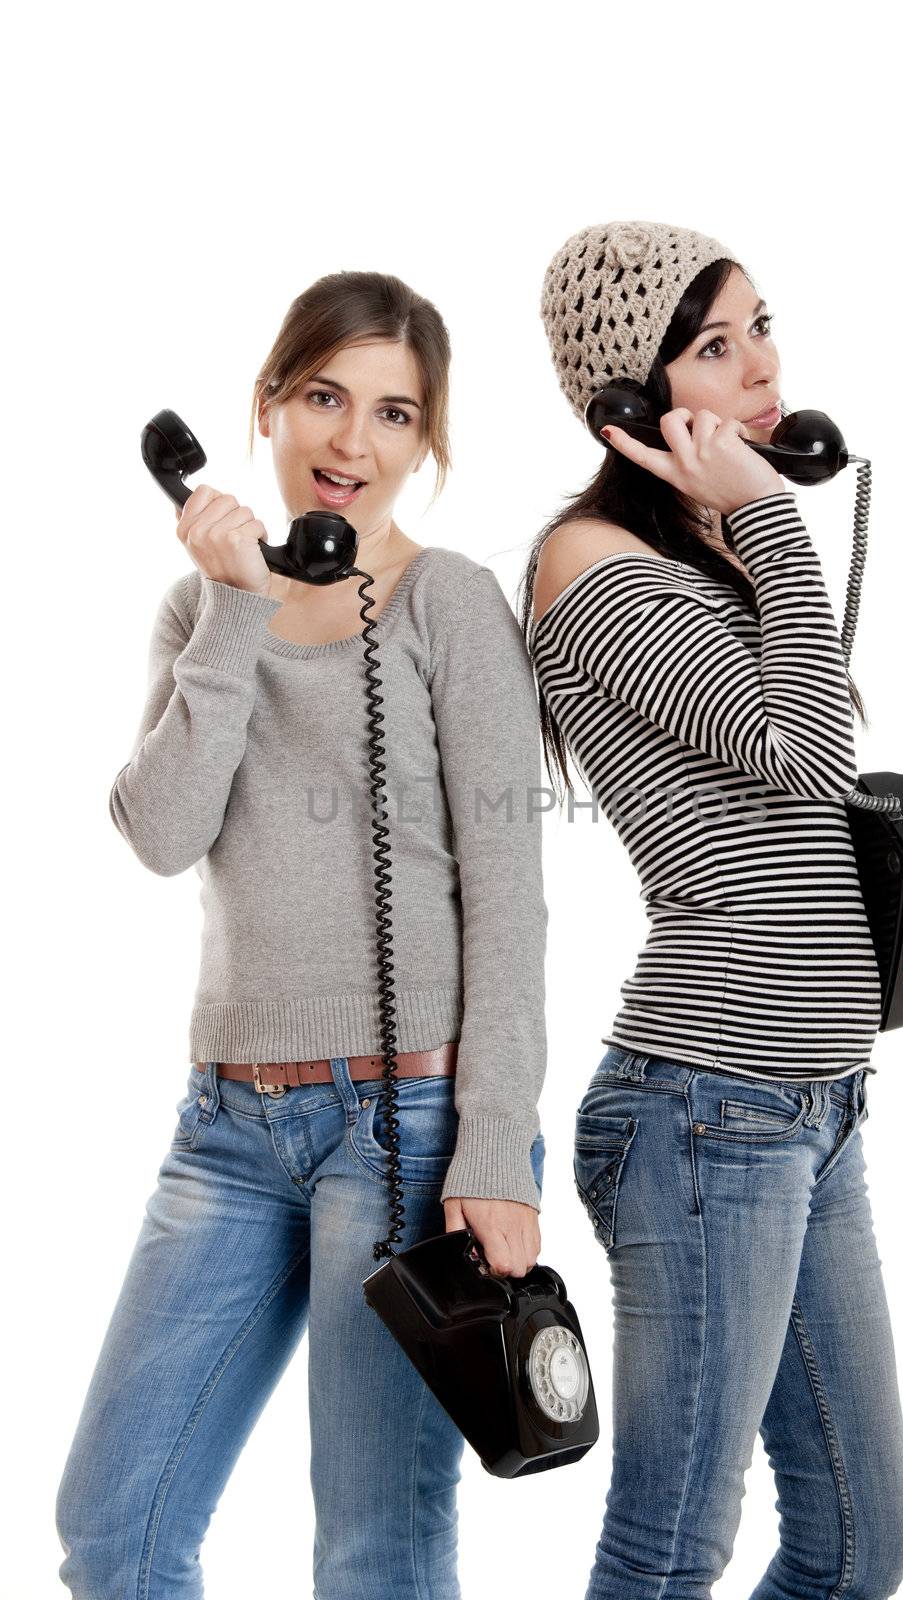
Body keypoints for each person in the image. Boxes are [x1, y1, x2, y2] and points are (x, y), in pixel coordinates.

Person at [56, 270, 548, 1600]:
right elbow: (159, 834)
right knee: (114, 1531)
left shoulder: (449, 602)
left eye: (394, 414)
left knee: (375, 1550)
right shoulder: (201, 616)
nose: (352, 441)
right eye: (325, 397)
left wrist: (497, 1143)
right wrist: (236, 602)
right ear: (266, 408)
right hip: (227, 1128)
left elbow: (510, 889)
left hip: (411, 1128)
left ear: (425, 445)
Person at [522, 221, 903, 1599]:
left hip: (813, 1102)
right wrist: (779, 520)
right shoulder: (593, 568)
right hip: (705, 1110)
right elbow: (801, 748)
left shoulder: (721, 562)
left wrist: (895, 957)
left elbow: (788, 814)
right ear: (630, 403)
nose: (761, 370)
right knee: (670, 1555)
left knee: (859, 1545)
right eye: (714, 347)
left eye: (761, 327)